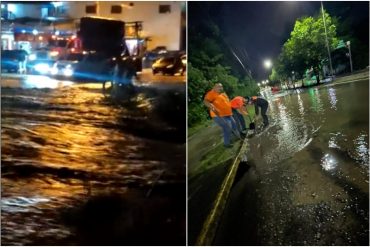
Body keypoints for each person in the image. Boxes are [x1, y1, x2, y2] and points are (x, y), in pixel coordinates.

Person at [204, 83, 240, 148]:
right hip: (219, 115)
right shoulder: (211, 93)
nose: (220, 88)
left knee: (234, 124)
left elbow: (227, 103)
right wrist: (210, 106)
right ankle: (227, 144)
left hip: (228, 114)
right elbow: (206, 101)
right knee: (227, 128)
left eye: (221, 87)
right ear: (214, 87)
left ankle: (237, 137)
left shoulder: (222, 94)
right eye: (218, 87)